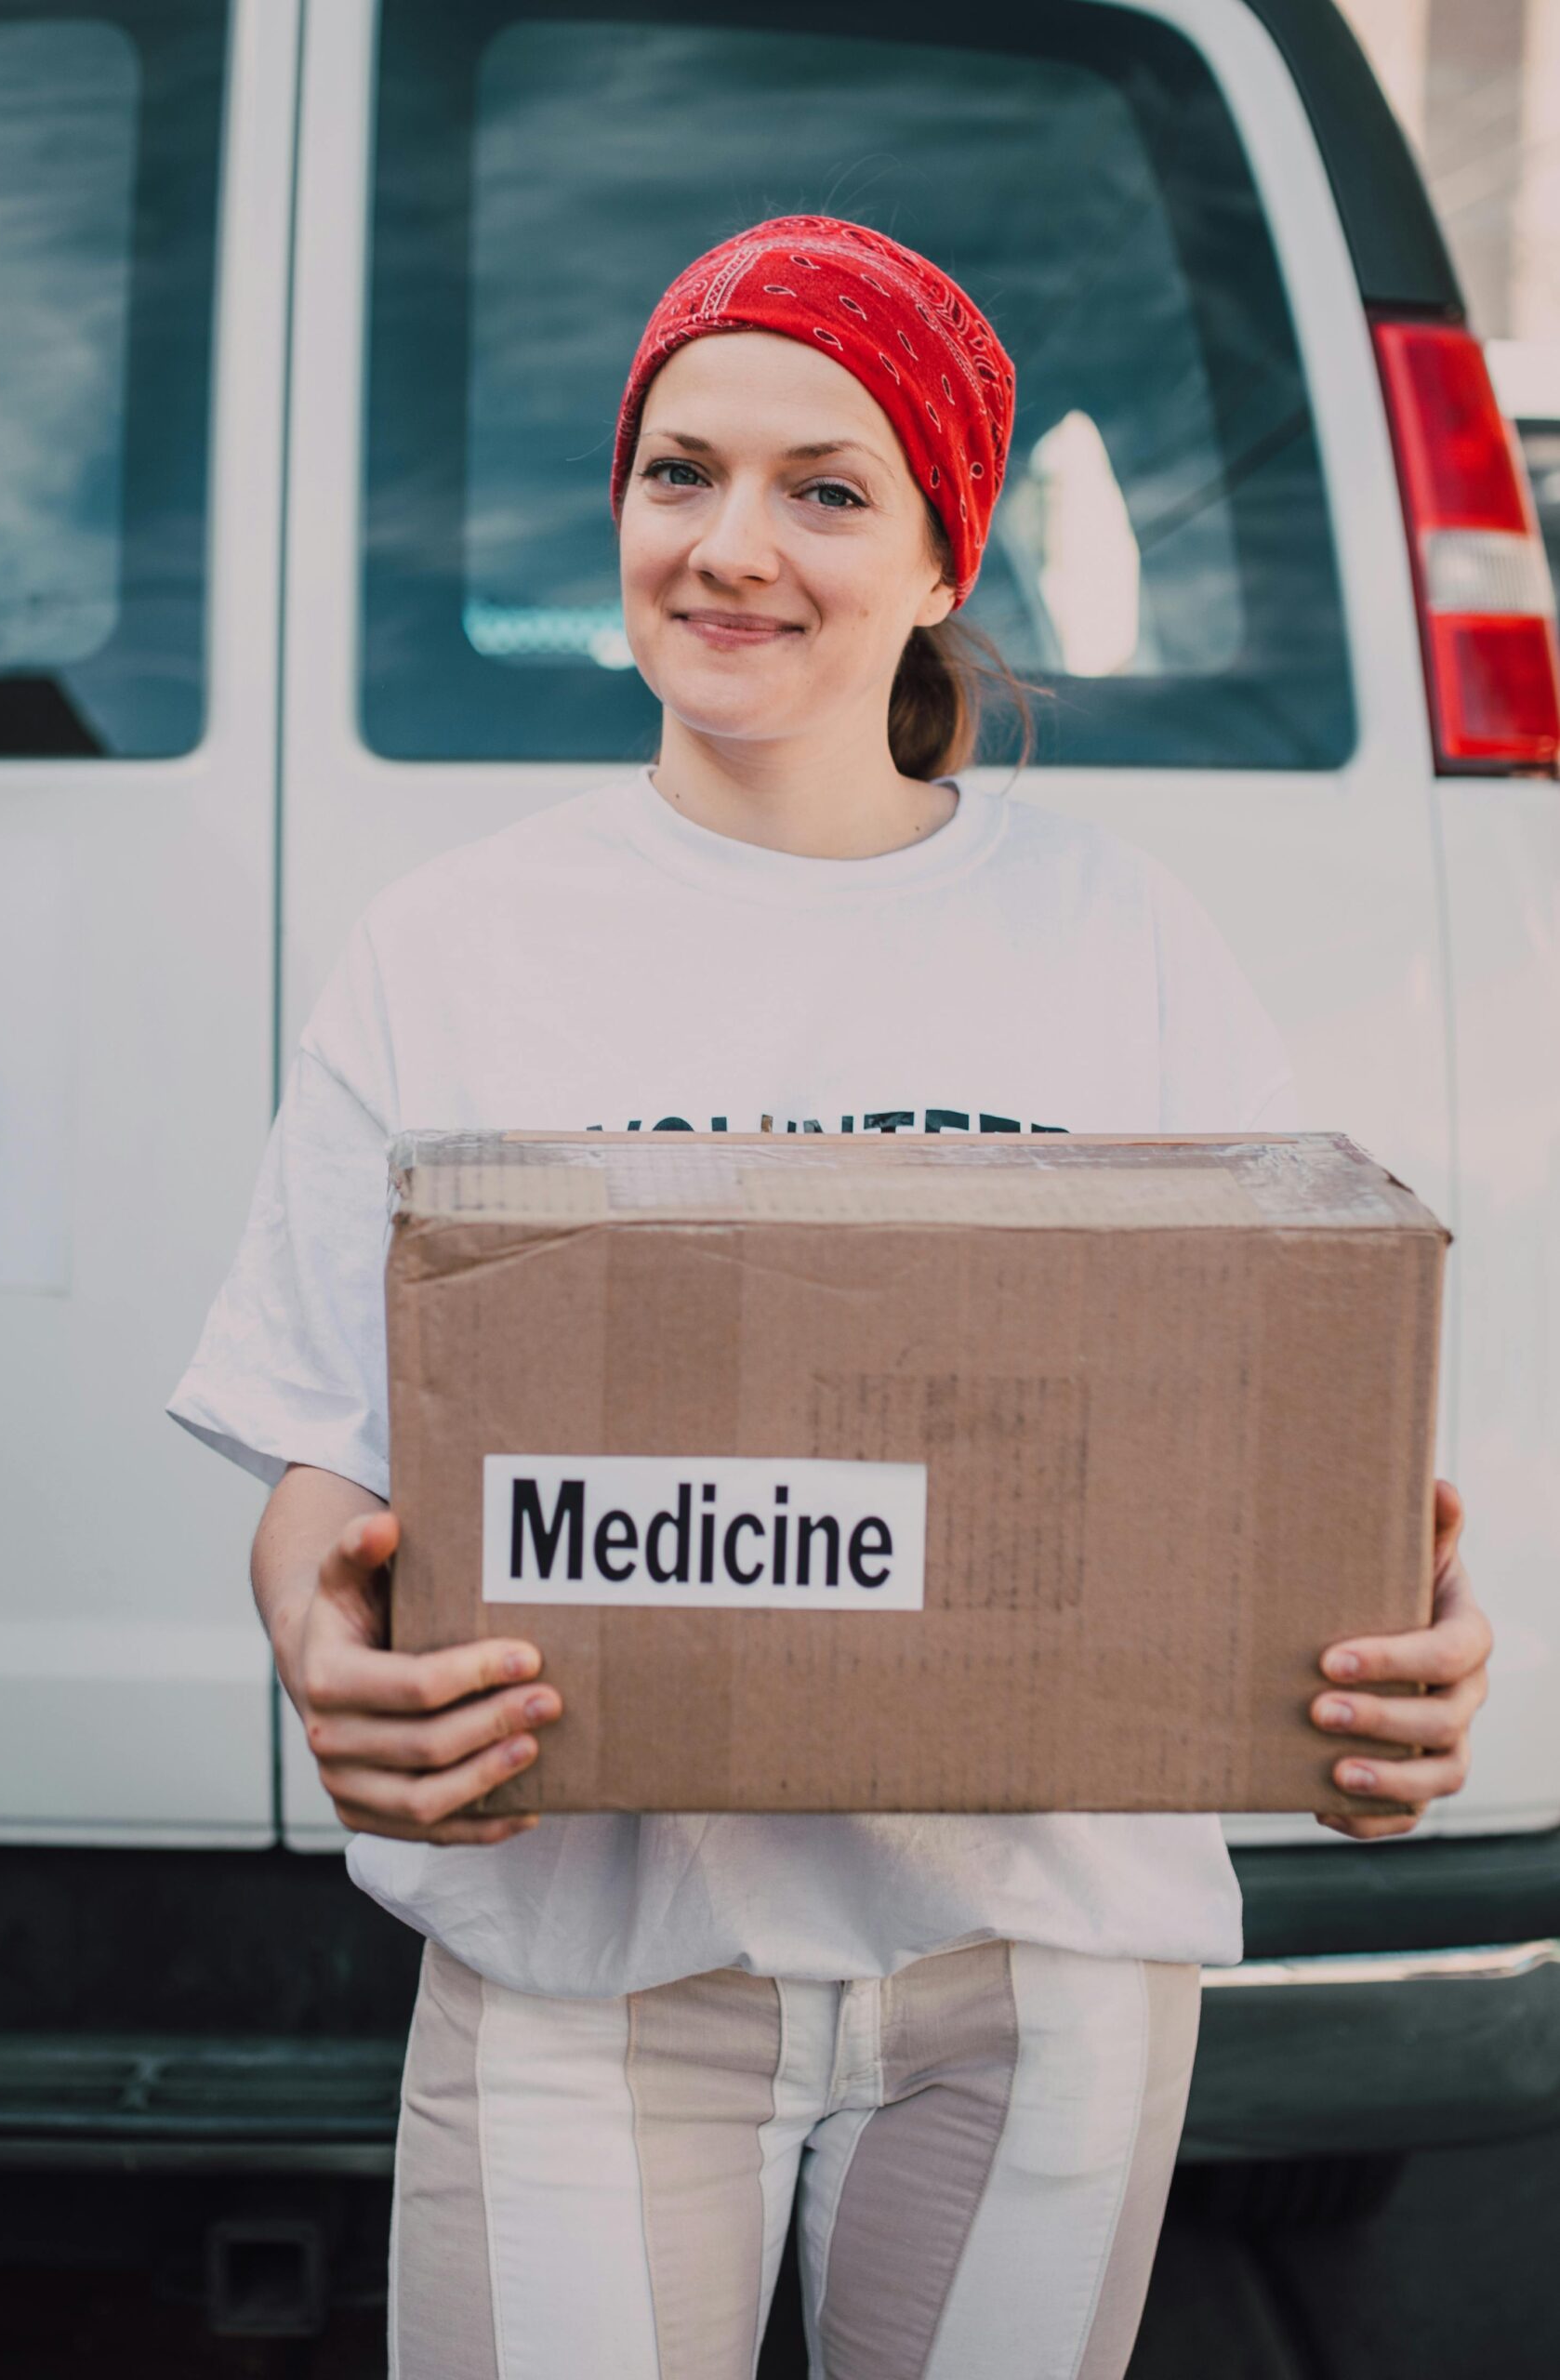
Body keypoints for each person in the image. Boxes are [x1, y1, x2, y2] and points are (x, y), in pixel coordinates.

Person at [167, 216, 1493, 2379]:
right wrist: (322, 1642)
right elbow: (329, 1450)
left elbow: (1297, 1438)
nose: (727, 545)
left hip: (1033, 1958)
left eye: (823, 487)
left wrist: (1400, 1651)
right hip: (589, 1945)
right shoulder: (464, 941)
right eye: (678, 470)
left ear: (942, 558)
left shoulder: (1114, 938)